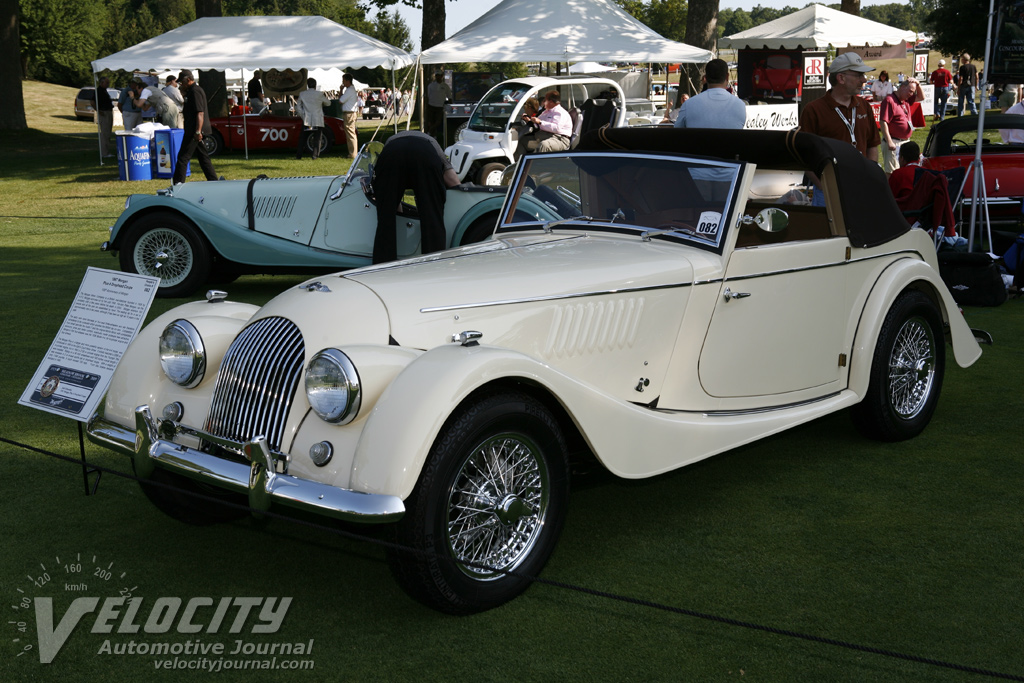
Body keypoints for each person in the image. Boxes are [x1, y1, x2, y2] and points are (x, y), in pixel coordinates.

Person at [799, 52, 881, 205]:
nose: (864, 80)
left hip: (861, 187)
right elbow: (804, 155)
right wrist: (822, 186)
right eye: (859, 75)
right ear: (841, 78)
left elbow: (872, 145)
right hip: (829, 192)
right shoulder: (814, 110)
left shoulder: (864, 106)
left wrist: (869, 176)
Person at [371, 131, 461, 264]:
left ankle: (383, 264)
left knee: (385, 216)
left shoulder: (391, 141)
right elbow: (451, 178)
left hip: (392, 154)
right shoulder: (432, 143)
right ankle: (434, 261)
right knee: (432, 214)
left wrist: (396, 211)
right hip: (424, 154)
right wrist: (461, 190)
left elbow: (390, 194)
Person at [172, 70, 219, 184]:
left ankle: (178, 183)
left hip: (194, 130)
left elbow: (200, 113)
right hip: (194, 129)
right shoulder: (191, 91)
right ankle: (213, 181)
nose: (181, 85)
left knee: (183, 157)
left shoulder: (195, 91)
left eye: (182, 82)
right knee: (203, 158)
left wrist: (198, 131)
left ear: (188, 80)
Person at [673, 58, 746, 130]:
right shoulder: (740, 106)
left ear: (705, 78)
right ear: (727, 77)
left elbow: (677, 131)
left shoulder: (688, 105)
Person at [879, 78, 922, 175]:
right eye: (910, 91)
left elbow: (921, 97)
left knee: (905, 171)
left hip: (904, 142)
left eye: (913, 92)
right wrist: (889, 142)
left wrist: (918, 84)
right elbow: (883, 122)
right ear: (902, 87)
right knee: (892, 172)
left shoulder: (905, 99)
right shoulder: (889, 100)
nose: (911, 94)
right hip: (894, 143)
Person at [514, 90, 573, 159]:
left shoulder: (560, 112)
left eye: (545, 100)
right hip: (543, 136)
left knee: (543, 145)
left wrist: (540, 122)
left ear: (551, 102)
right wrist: (529, 121)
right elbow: (538, 125)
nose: (543, 103)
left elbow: (556, 128)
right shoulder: (546, 112)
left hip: (559, 139)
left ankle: (533, 164)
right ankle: (519, 162)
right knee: (522, 141)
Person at [295, 78, 329, 160]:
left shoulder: (302, 94)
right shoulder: (319, 94)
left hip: (307, 120)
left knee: (303, 138)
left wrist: (303, 115)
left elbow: (298, 107)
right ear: (315, 85)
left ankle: (299, 155)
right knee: (317, 138)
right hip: (317, 120)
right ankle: (315, 155)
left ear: (307, 85)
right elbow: (328, 103)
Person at [425, 71, 452, 141]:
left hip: (440, 106)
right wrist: (427, 106)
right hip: (431, 105)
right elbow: (428, 96)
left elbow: (449, 96)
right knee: (431, 121)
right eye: (437, 75)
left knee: (438, 122)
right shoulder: (431, 85)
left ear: (442, 76)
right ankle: (433, 136)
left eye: (439, 75)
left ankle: (429, 132)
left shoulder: (445, 86)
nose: (438, 77)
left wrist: (451, 105)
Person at [337, 73, 359, 158]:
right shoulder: (350, 90)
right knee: (350, 133)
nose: (342, 82)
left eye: (343, 81)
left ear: (347, 81)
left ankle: (353, 153)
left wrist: (341, 90)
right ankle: (352, 153)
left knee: (350, 134)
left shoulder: (349, 90)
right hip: (350, 113)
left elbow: (340, 100)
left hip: (349, 113)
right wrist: (341, 90)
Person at [96, 76, 114, 158]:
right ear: (102, 82)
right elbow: (92, 102)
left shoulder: (104, 91)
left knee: (108, 133)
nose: (108, 84)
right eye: (107, 82)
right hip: (104, 112)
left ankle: (107, 151)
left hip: (108, 112)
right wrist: (98, 110)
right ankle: (104, 152)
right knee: (104, 133)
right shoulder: (98, 91)